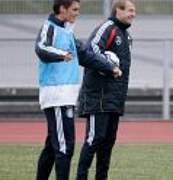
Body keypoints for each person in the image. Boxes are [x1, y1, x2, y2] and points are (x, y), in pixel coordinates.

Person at [34, 0, 122, 179]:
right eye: (74, 9)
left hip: (66, 97)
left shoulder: (68, 33)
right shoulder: (49, 27)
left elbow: (85, 55)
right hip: (57, 95)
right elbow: (41, 47)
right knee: (65, 147)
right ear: (62, 9)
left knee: (53, 146)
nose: (77, 13)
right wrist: (61, 55)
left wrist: (109, 67)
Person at [76, 0, 136, 179]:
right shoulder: (107, 28)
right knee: (94, 139)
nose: (133, 14)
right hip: (99, 97)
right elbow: (90, 51)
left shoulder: (126, 35)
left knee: (108, 142)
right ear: (118, 10)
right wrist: (110, 67)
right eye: (130, 10)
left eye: (134, 11)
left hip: (115, 98)